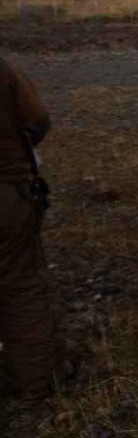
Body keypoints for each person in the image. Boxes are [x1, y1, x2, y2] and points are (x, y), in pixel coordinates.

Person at [0, 55, 63, 400]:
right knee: (21, 286)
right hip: (7, 195)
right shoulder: (3, 68)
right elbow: (37, 121)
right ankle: (37, 380)